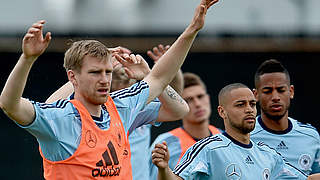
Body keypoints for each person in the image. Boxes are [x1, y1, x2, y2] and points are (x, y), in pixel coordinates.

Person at [0, 0, 219, 179]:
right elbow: (10, 105)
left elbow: (159, 78)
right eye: (95, 73)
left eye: (108, 71)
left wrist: (192, 29)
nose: (105, 79)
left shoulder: (121, 106)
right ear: (73, 77)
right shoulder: (61, 119)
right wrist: (27, 59)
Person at [46, 44, 185, 180]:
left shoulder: (136, 106)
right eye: (114, 77)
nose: (124, 88)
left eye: (128, 81)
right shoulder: (98, 110)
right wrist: (83, 72)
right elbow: (49, 110)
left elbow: (175, 103)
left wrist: (153, 75)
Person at [152, 83, 320, 179]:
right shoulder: (208, 149)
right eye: (241, 105)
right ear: (222, 112)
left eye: (252, 104)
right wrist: (164, 169)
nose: (249, 110)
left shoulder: (268, 155)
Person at [251, 59, 320, 175]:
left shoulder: (311, 136)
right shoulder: (246, 136)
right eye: (268, 91)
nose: (275, 97)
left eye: (281, 90)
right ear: (256, 95)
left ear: (291, 91)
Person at [149, 72, 220, 179]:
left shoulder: (223, 136)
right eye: (189, 100)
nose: (197, 104)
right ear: (178, 105)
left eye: (200, 97)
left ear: (208, 98)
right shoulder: (166, 143)